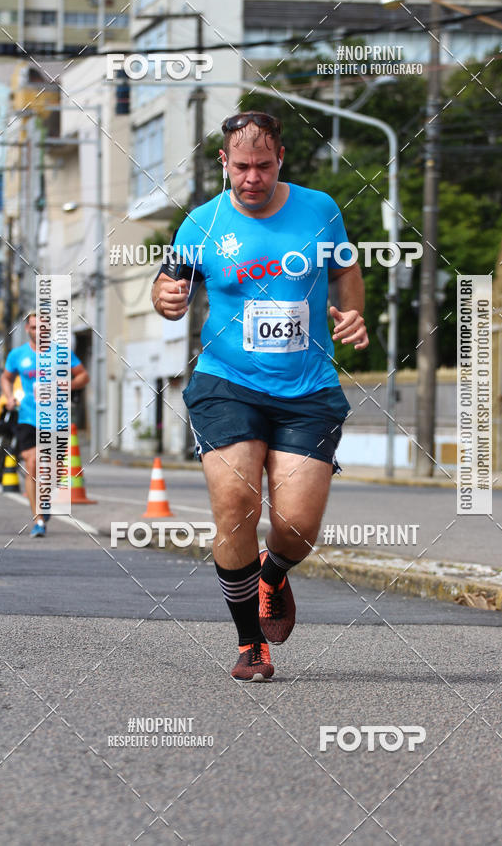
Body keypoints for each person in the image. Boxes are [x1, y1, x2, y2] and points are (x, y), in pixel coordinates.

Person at [151, 111, 368, 681]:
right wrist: (166, 298)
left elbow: (346, 270)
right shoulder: (201, 222)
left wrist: (353, 312)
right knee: (235, 506)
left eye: (264, 166)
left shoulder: (320, 210)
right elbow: (169, 281)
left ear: (281, 161)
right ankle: (251, 642)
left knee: (296, 525)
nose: (253, 178)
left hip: (307, 389)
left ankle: (273, 575)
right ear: (224, 163)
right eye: (242, 166)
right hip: (226, 383)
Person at [0, 312, 89, 537]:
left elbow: (83, 377)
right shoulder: (17, 355)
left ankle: (45, 497)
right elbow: (6, 378)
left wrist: (66, 384)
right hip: (29, 417)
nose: (39, 331)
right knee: (33, 463)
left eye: (43, 327)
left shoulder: (62, 353)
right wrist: (9, 396)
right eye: (34, 327)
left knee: (55, 469)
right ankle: (39, 520)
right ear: (28, 330)